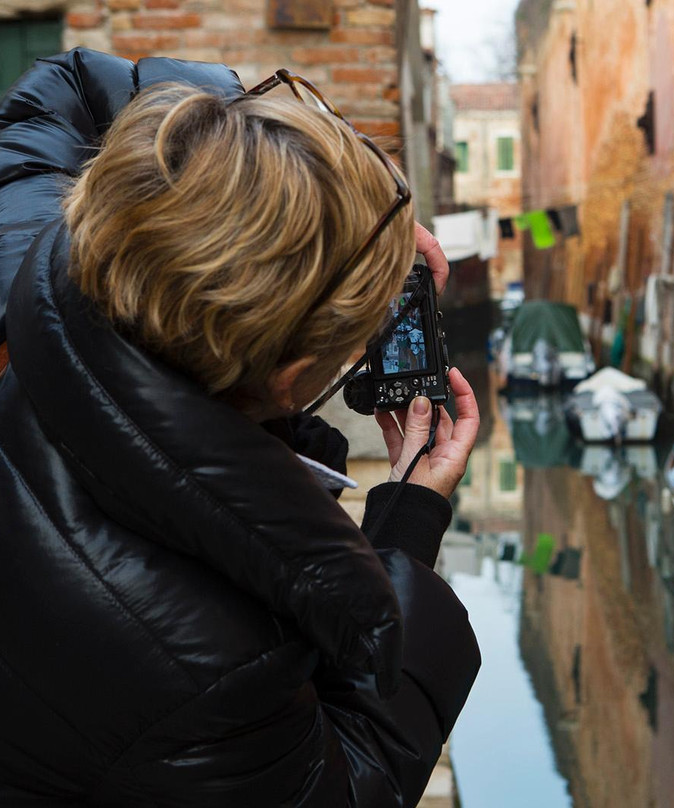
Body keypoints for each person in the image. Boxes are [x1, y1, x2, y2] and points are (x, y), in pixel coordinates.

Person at [0, 48, 480, 806]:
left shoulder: (24, 254)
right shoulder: (216, 664)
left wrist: (287, 158)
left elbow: (65, 84)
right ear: (291, 381)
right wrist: (410, 520)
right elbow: (351, 785)